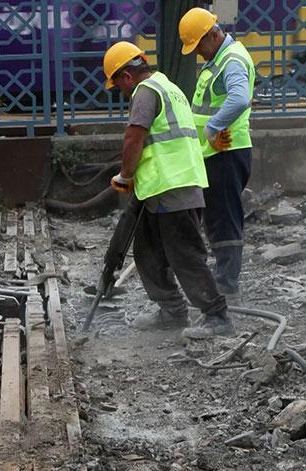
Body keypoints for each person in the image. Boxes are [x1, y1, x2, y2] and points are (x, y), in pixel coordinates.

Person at [103, 41, 235, 339]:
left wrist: (124, 176)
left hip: (173, 185)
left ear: (126, 76)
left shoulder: (145, 92)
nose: (122, 93)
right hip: (164, 186)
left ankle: (217, 315)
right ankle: (172, 310)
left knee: (184, 254)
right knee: (147, 252)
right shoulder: (168, 86)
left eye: (119, 85)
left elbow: (134, 138)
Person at [179, 7, 255, 301]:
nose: (198, 52)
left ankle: (227, 281)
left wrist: (212, 127)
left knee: (225, 217)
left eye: (199, 46)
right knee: (218, 215)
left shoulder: (231, 60)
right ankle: (224, 275)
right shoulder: (220, 59)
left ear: (212, 35)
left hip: (227, 149)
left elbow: (239, 98)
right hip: (218, 151)